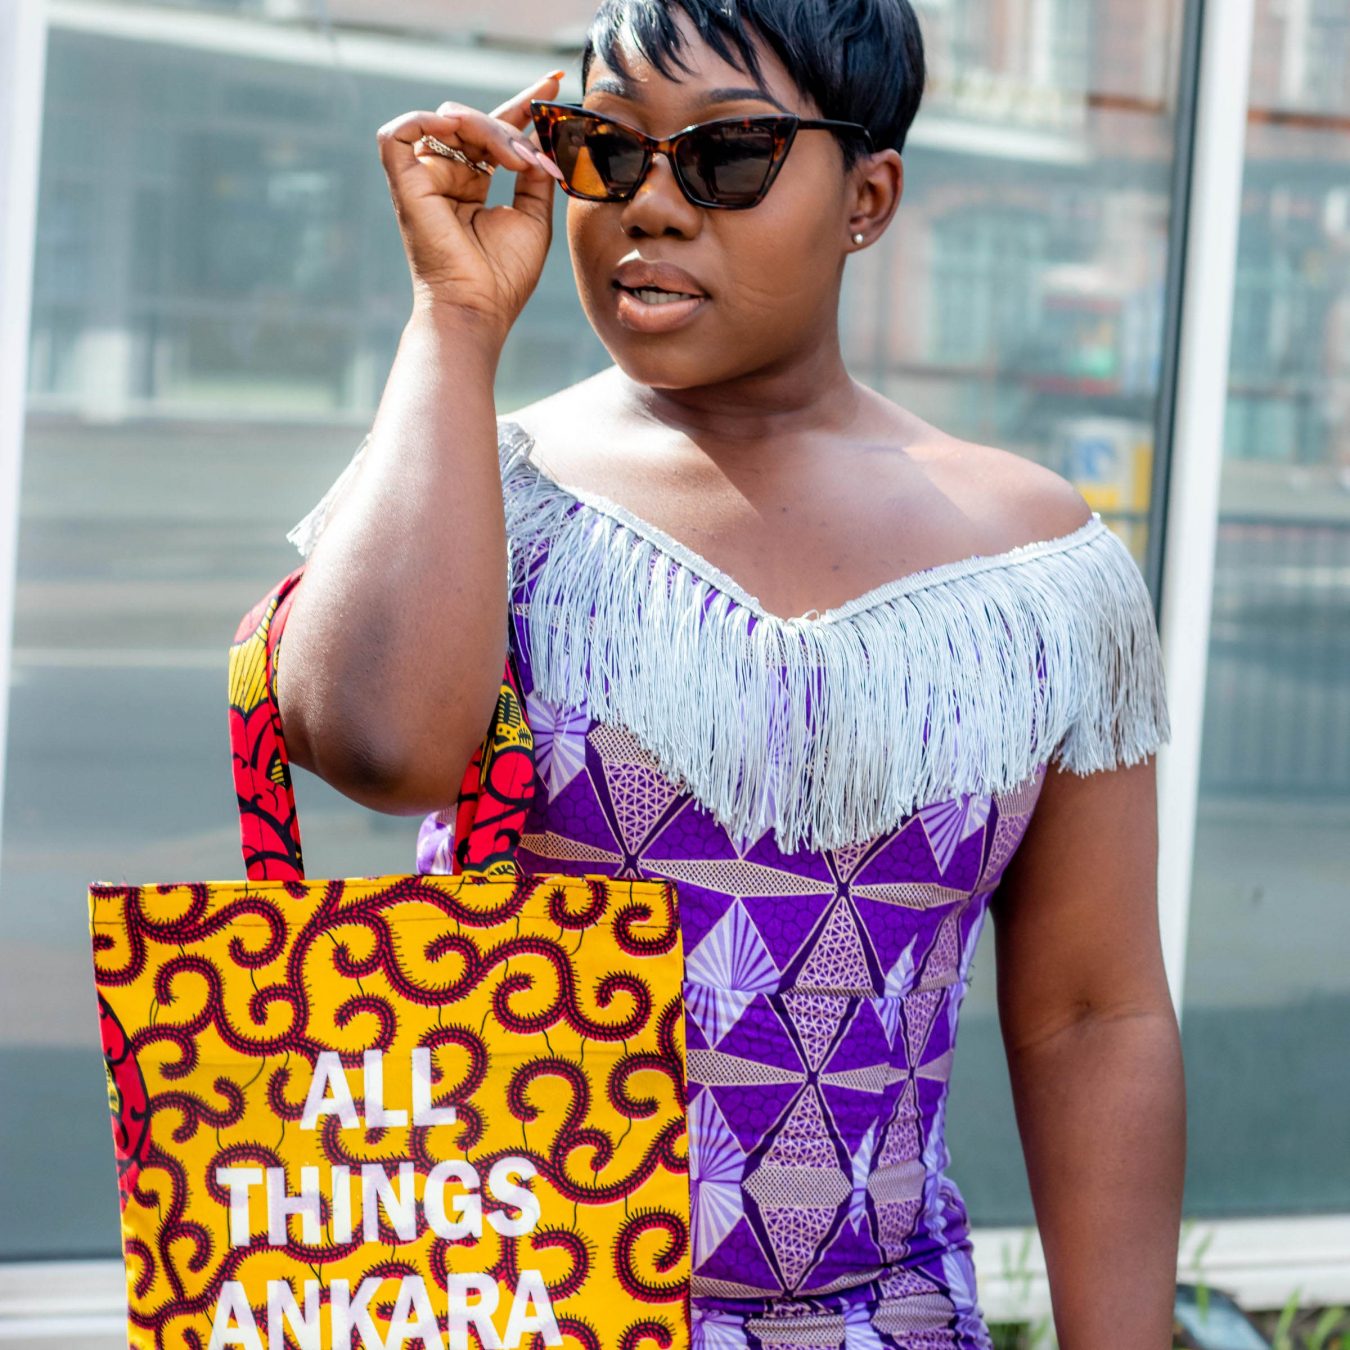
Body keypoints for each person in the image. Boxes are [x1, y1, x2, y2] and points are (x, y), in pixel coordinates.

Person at [276, 1, 1185, 1345]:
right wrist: (453, 324)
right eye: (604, 149)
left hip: (879, 1319)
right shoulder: (483, 483)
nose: (650, 203)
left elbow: (1092, 1014)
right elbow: (374, 744)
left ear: (867, 196)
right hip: (506, 1308)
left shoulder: (1032, 565)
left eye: (727, 156)